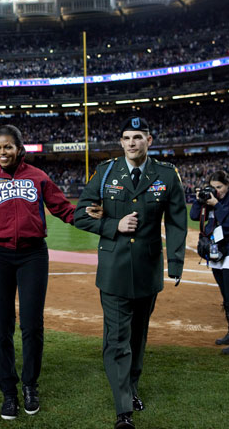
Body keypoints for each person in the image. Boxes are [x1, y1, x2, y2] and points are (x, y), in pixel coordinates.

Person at [0, 125, 81, 420]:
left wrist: (92, 218)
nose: (2, 152)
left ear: (20, 149)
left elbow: (64, 210)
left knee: (32, 325)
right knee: (1, 325)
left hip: (33, 254)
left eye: (7, 147)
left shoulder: (38, 178)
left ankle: (30, 385)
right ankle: (9, 392)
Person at [74, 117, 187, 429]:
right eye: (126, 137)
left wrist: (175, 262)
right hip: (114, 271)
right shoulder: (106, 172)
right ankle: (123, 409)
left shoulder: (165, 174)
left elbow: (177, 220)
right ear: (121, 142)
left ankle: (132, 386)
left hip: (149, 270)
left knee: (138, 337)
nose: (132, 143)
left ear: (149, 140)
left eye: (138, 137)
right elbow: (80, 214)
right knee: (117, 340)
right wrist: (114, 225)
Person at [189, 171, 229, 355]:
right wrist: (199, 200)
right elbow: (194, 216)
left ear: (228, 185)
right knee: (226, 295)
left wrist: (217, 205)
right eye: (213, 187)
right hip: (215, 249)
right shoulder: (209, 198)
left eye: (219, 187)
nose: (216, 191)